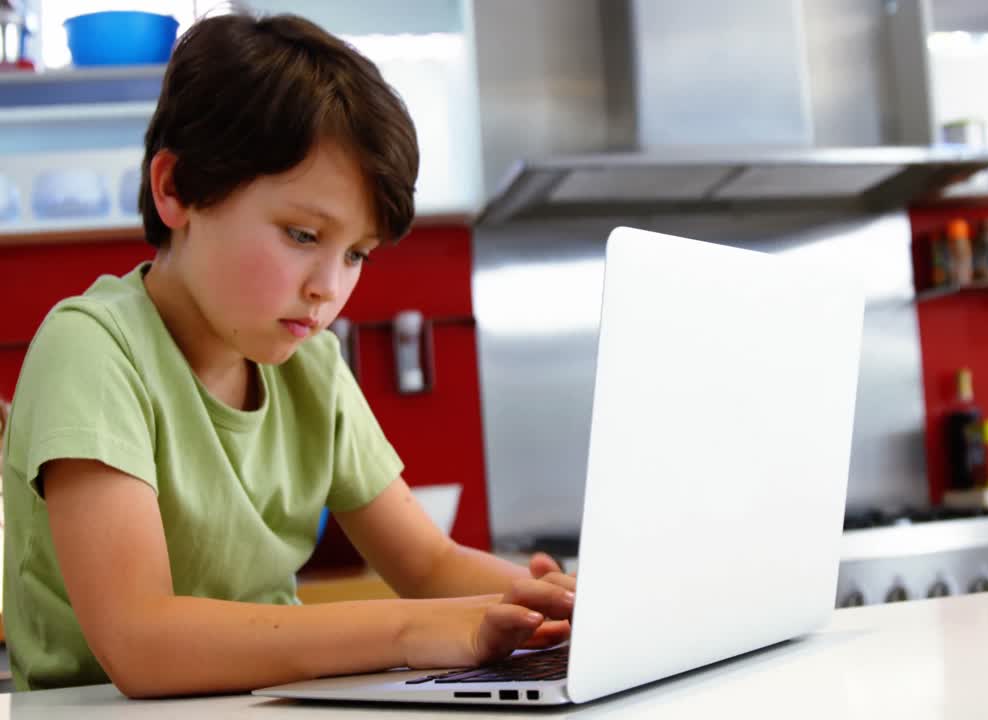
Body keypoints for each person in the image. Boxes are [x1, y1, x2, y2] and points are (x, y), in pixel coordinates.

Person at [0, 12, 574, 697]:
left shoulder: (312, 368)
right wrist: (409, 630)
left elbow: (429, 562)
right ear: (175, 188)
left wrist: (553, 606)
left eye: (356, 254)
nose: (328, 289)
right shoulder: (92, 350)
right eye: (303, 234)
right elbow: (141, 641)